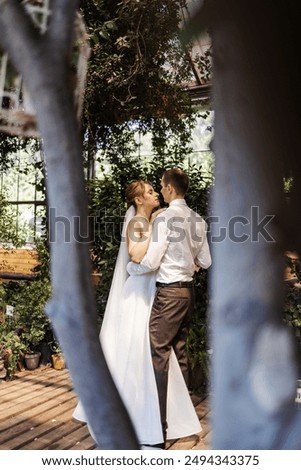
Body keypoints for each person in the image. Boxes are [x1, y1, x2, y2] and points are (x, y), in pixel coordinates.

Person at [73, 180, 201, 447]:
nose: (156, 194)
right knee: (139, 350)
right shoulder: (139, 224)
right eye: (150, 192)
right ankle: (138, 416)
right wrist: (158, 235)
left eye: (157, 190)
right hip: (140, 292)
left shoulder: (154, 218)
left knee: (151, 351)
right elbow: (135, 254)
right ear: (139, 200)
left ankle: (151, 415)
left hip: (153, 289)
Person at [127, 169, 212, 446]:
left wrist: (130, 268)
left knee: (158, 357)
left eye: (162, 187)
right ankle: (181, 422)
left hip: (169, 296)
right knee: (181, 355)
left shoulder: (164, 219)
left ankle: (158, 431)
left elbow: (150, 262)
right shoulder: (198, 220)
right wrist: (190, 264)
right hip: (188, 294)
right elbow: (206, 261)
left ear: (170, 189)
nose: (161, 192)